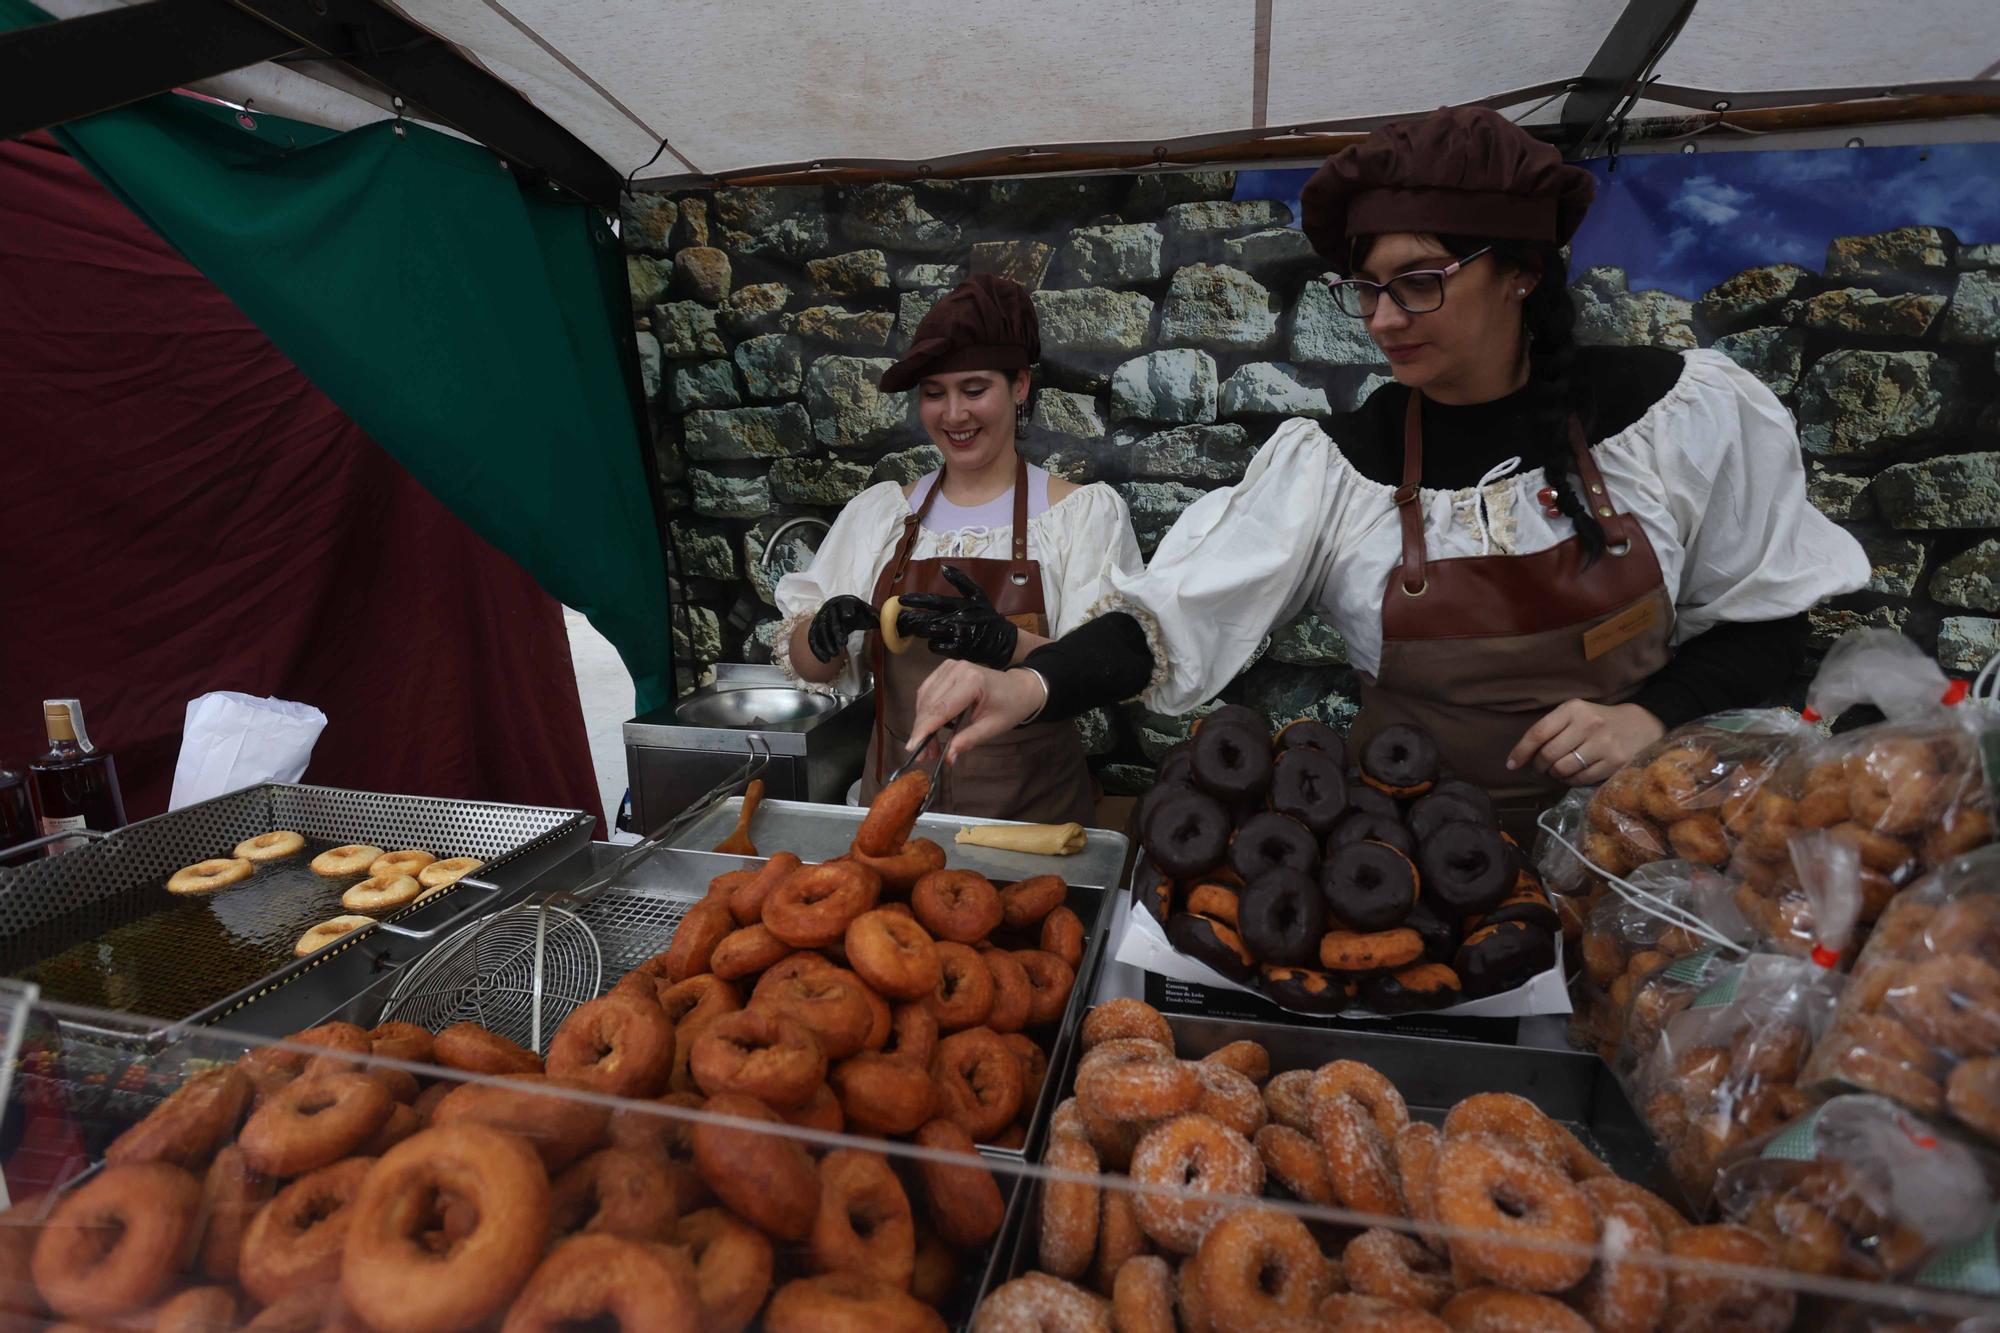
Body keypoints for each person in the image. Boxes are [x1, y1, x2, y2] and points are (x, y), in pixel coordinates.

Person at [908, 106, 1869, 835]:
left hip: (1640, 846)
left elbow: (1765, 627)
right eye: (1367, 288)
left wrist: (1651, 718)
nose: (1382, 319)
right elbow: (1170, 616)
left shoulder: (1677, 414)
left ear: (1523, 272)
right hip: (1407, 857)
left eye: (1420, 281)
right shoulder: (1341, 466)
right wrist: (1029, 684)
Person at [775, 273, 1143, 824]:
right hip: (895, 811)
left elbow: (1112, 667)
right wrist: (821, 632)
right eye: (934, 393)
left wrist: (1007, 644)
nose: (953, 415)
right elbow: (810, 667)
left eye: (974, 390)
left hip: (1029, 818)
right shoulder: (881, 516)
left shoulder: (1078, 515)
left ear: (1019, 386)